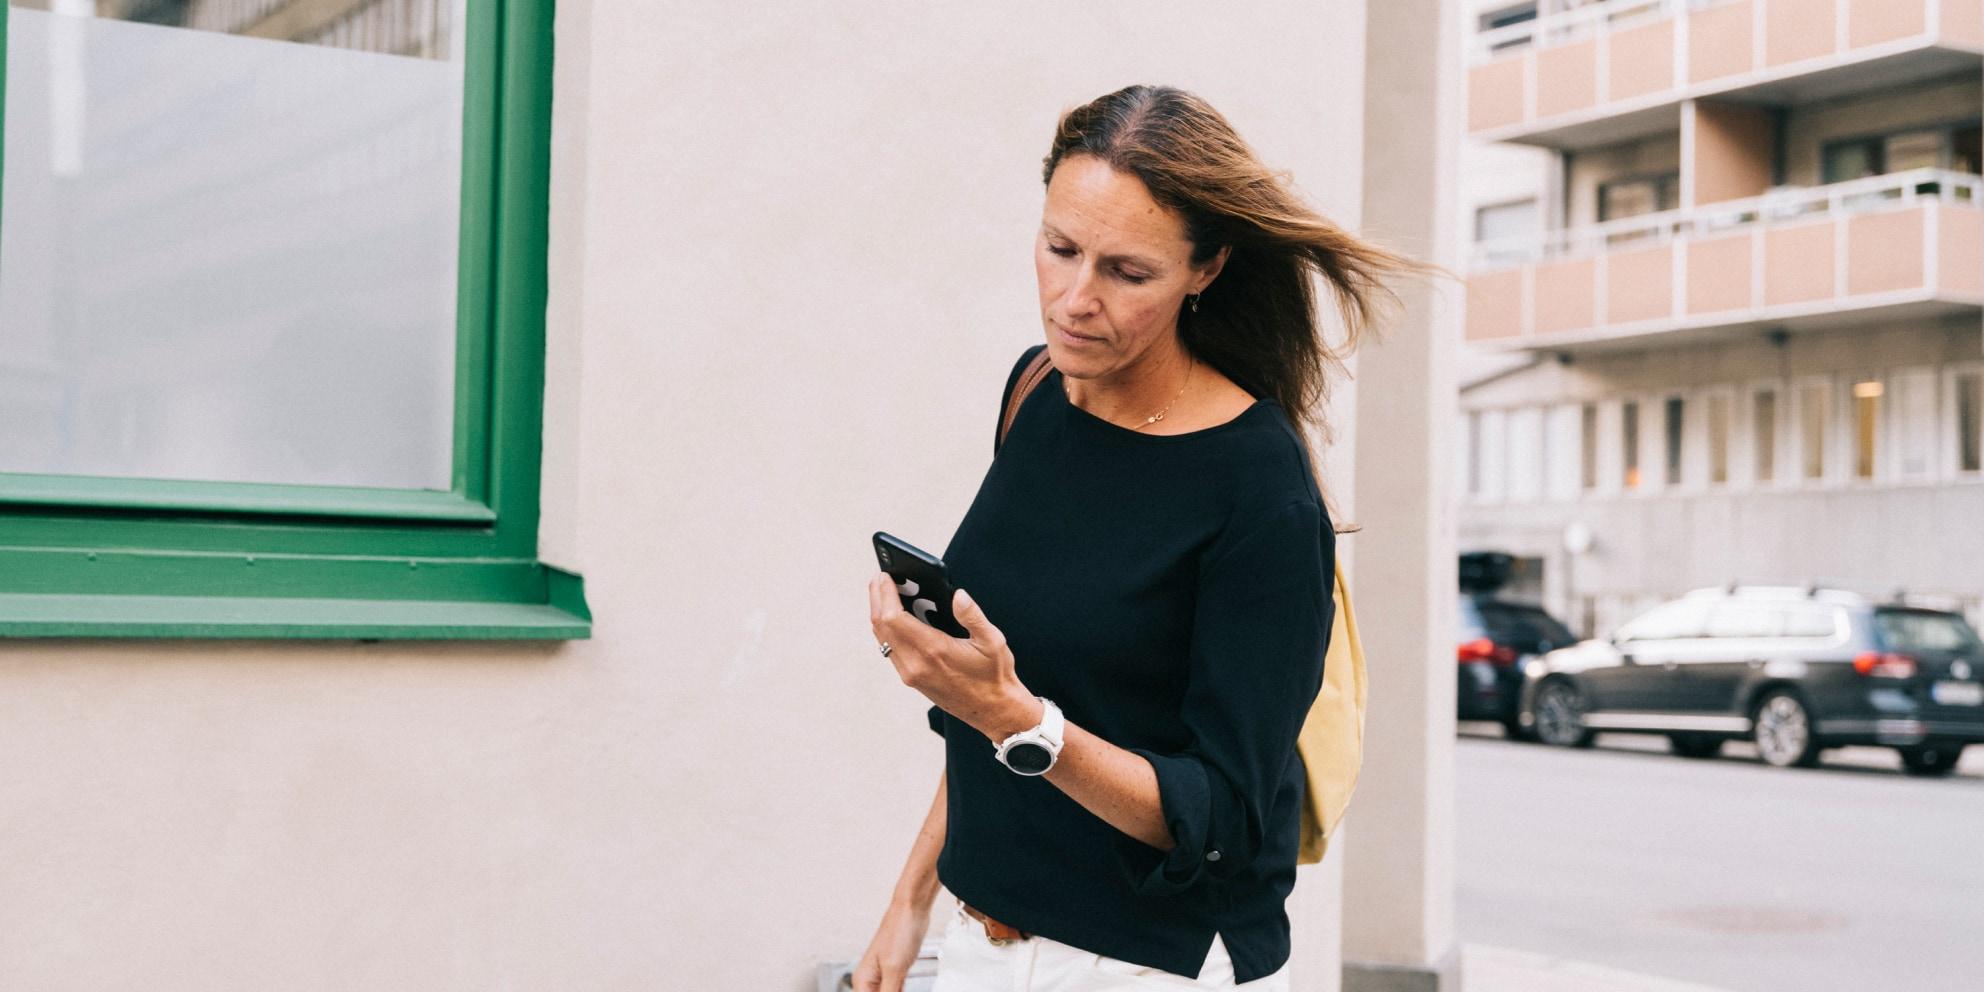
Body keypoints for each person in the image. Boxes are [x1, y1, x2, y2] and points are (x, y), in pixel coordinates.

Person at [855, 84, 1421, 991]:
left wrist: (1020, 721)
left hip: (1146, 967)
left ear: (1206, 269)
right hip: (980, 944)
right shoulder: (1036, 393)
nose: (1076, 299)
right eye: (1060, 249)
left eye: (1127, 272)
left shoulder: (1261, 494)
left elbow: (1225, 814)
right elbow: (992, 698)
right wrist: (907, 903)